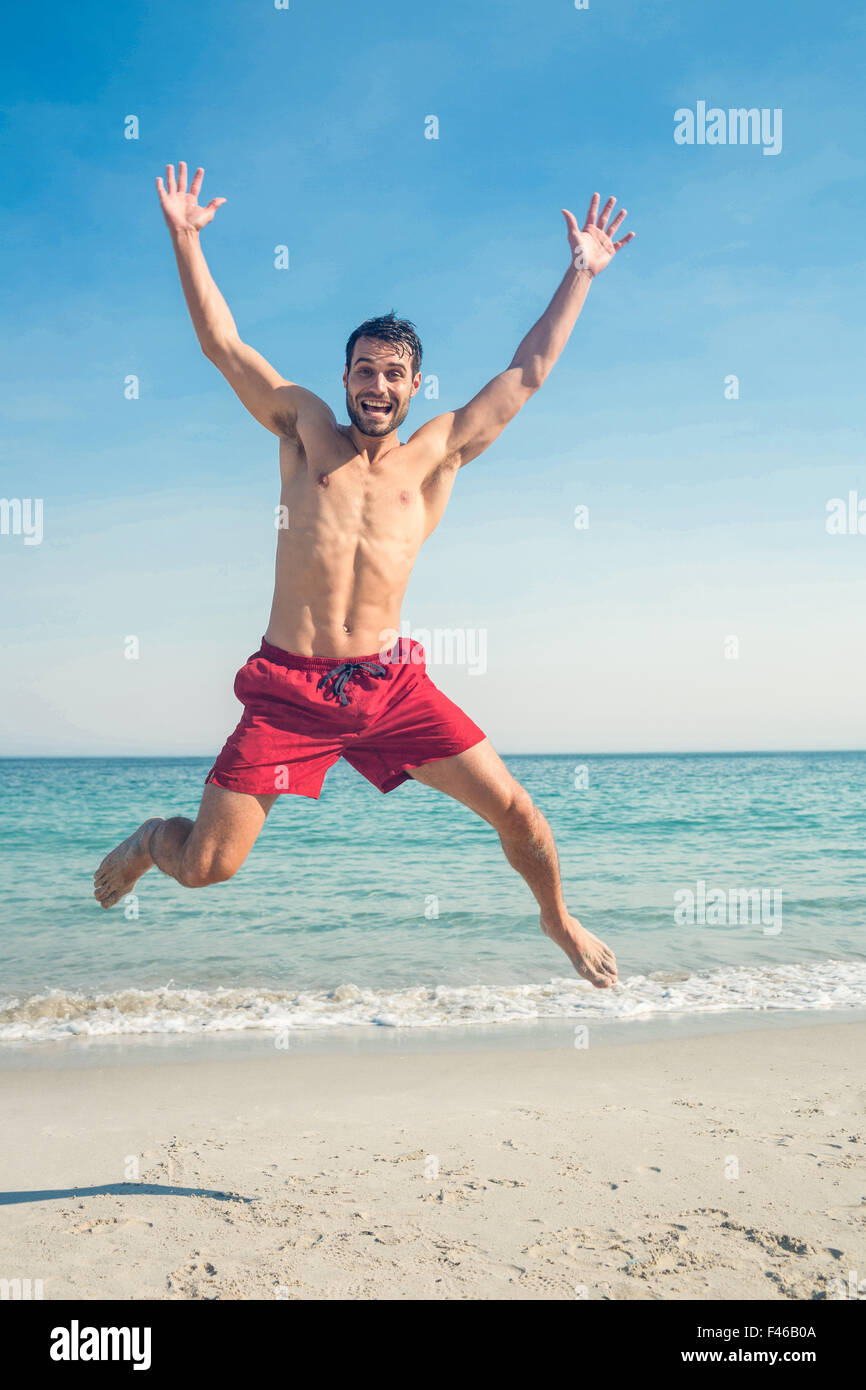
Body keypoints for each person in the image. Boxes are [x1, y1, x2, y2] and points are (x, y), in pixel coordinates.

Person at [94, 162, 635, 990]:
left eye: (393, 373)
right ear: (344, 376)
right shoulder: (305, 427)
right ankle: (146, 841)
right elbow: (222, 346)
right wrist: (186, 240)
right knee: (207, 866)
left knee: (521, 813)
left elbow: (527, 373)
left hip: (386, 684)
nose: (376, 385)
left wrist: (582, 272)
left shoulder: (439, 451)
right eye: (363, 370)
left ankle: (557, 918)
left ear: (415, 385)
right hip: (288, 687)